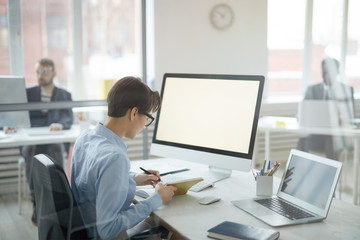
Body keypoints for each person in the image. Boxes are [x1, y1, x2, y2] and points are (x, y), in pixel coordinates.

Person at [70, 76, 177, 240]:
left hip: (84, 229)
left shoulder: (85, 138)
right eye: (147, 118)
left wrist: (134, 178)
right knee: (171, 232)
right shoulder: (115, 157)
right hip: (104, 236)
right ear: (134, 112)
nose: (145, 125)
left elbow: (95, 180)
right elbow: (108, 229)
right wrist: (157, 199)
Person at [22, 58, 73, 225]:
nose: (40, 75)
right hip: (33, 140)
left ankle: (56, 202)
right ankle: (37, 203)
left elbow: (68, 117)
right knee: (30, 150)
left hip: (53, 140)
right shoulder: (27, 94)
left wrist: (61, 124)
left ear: (54, 73)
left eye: (44, 72)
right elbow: (17, 116)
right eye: (38, 72)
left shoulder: (64, 95)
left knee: (56, 148)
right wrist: (11, 125)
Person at [297, 57, 354, 160]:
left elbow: (350, 116)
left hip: (336, 134)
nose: (327, 75)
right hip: (316, 132)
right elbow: (302, 113)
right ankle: (301, 171)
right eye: (324, 72)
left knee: (331, 142)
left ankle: (331, 173)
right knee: (303, 140)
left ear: (337, 72)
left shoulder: (346, 90)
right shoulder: (312, 90)